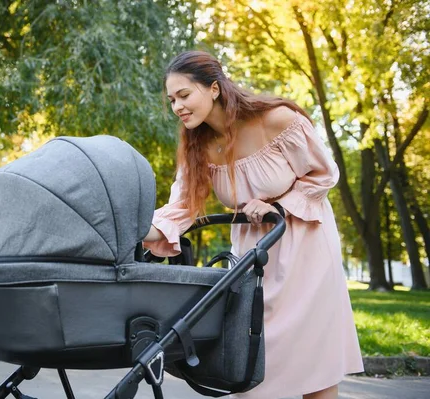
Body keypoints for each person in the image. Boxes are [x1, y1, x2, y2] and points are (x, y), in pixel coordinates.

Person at [143, 51, 364, 399]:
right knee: (250, 366)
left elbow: (323, 175)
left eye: (184, 95)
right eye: (171, 100)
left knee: (314, 364)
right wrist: (139, 230)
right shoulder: (198, 147)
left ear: (213, 88)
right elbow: (180, 208)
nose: (177, 107)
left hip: (303, 244)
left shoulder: (275, 120)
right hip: (253, 257)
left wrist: (276, 203)